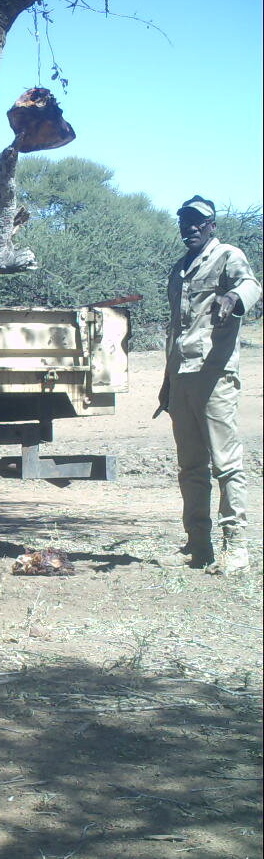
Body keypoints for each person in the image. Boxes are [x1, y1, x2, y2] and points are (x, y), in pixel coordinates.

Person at [156, 196, 260, 575]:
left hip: (215, 377)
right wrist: (167, 384)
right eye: (185, 220)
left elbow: (251, 285)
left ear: (212, 225)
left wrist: (233, 296)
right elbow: (175, 330)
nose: (191, 227)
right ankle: (198, 546)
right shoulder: (178, 270)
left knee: (226, 464)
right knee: (190, 466)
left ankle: (237, 550)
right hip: (182, 378)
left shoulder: (228, 256)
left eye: (199, 222)